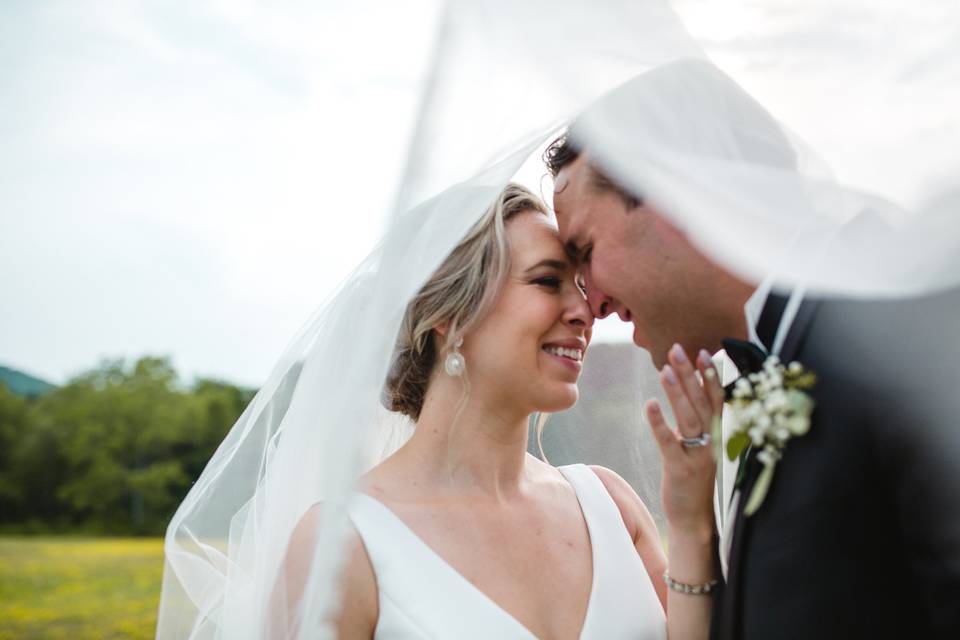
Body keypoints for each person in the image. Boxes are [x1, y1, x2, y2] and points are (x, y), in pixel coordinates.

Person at [544, 98, 960, 637]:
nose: (593, 303)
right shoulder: (767, 368)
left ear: (673, 201)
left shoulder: (900, 318)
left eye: (585, 250)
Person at [280, 183, 723, 639]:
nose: (585, 311)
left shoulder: (611, 505)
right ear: (449, 315)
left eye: (581, 287)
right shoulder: (341, 545)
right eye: (548, 281)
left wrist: (691, 527)